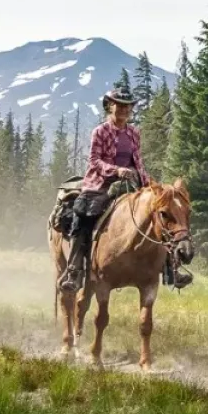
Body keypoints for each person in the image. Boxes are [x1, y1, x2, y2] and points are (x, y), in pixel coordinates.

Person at [61, 83, 192, 292]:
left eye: (127, 106)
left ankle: (172, 269)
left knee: (161, 215)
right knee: (82, 214)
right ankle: (74, 269)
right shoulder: (100, 131)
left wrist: (149, 182)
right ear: (109, 106)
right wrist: (116, 170)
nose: (124, 109)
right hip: (100, 183)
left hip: (131, 183)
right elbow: (94, 160)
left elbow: (137, 161)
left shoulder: (133, 133)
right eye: (119, 105)